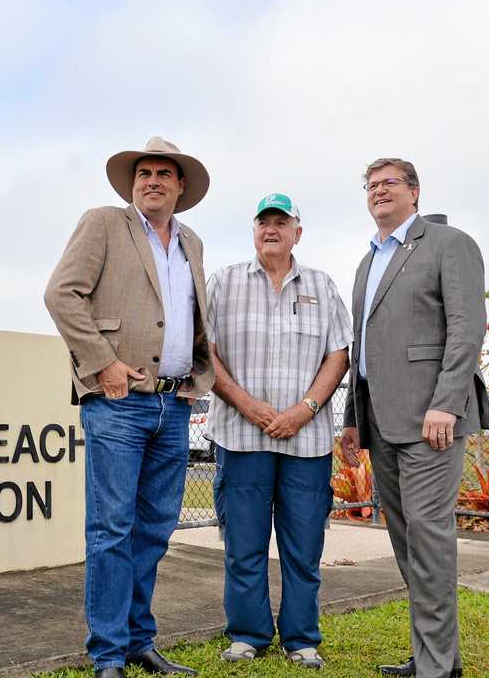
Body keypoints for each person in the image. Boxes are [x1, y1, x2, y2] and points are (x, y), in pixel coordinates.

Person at [44, 136, 216, 678]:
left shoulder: (192, 242)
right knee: (112, 530)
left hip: (174, 405)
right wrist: (103, 363)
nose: (152, 181)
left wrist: (197, 376)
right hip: (118, 402)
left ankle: (140, 641)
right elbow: (61, 294)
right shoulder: (103, 223)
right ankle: (109, 654)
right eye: (144, 173)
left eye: (165, 173)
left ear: (181, 186)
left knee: (155, 530)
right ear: (132, 182)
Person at [340, 159, 489, 678]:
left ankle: (436, 667)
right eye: (372, 185)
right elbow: (363, 349)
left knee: (428, 537)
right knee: (407, 541)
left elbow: (467, 328)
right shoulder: (368, 262)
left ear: (415, 192)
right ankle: (436, 657)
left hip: (433, 420)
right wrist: (352, 416)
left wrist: (447, 402)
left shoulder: (450, 245)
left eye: (390, 184)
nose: (379, 192)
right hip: (380, 422)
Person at [206, 193, 351, 669]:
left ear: (297, 232)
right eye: (264, 222)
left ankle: (302, 638)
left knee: (303, 547)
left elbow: (338, 354)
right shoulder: (223, 282)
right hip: (240, 436)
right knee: (244, 546)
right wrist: (247, 404)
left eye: (281, 222)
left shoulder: (323, 286)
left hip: (305, 442)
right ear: (253, 230)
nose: (272, 229)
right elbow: (204, 351)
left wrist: (305, 409)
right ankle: (247, 634)